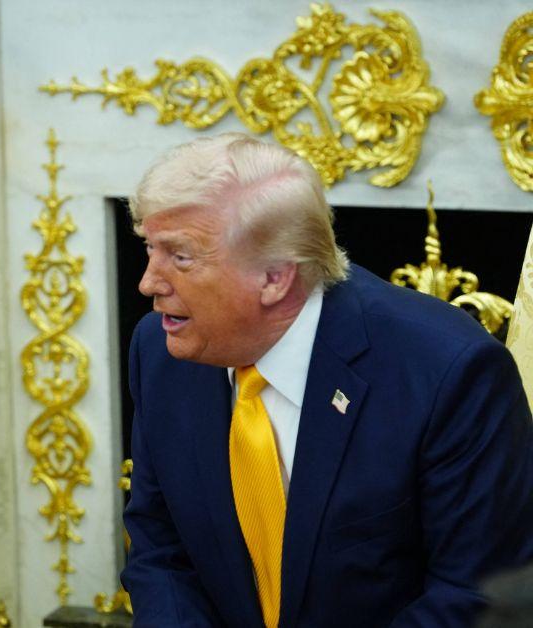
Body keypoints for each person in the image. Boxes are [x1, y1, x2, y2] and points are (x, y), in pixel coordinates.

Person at [120, 133, 533, 627]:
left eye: (180, 257)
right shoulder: (161, 351)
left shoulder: (448, 373)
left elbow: (477, 597)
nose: (148, 282)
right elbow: (159, 546)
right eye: (149, 248)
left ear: (275, 278)